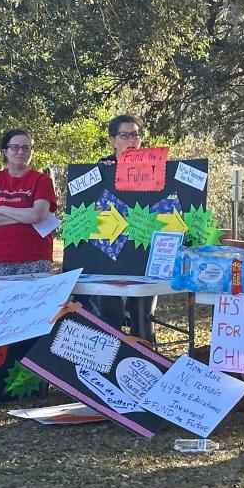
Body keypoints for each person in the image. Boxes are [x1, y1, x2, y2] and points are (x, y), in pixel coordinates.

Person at [96, 114, 157, 340]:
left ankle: (146, 367)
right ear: (113, 140)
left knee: (143, 317)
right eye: (125, 135)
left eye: (136, 134)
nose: (131, 139)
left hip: (144, 251)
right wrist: (103, 172)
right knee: (110, 315)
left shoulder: (156, 168)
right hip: (109, 253)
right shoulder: (102, 168)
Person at [0, 129, 57, 276]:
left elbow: (37, 215)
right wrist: (24, 217)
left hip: (35, 259)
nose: (21, 152)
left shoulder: (42, 180)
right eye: (15, 147)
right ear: (5, 151)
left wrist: (1, 208)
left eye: (26, 148)